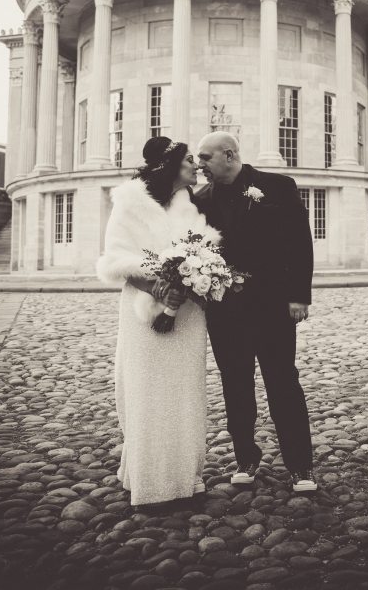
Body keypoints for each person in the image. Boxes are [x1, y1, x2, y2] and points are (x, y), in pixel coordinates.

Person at [96, 137, 221, 507]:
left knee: (185, 392)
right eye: (189, 160)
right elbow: (117, 259)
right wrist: (158, 289)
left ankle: (185, 477)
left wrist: (198, 279)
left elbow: (206, 250)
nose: (196, 166)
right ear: (170, 165)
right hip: (144, 313)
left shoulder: (189, 204)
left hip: (188, 317)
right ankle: (150, 481)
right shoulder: (129, 203)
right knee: (147, 392)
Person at [195, 132, 317, 493]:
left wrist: (299, 296)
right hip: (225, 312)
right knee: (235, 385)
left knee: (283, 383)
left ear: (228, 155)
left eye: (205, 157)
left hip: (273, 306)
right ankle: (246, 458)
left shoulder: (278, 186)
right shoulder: (200, 199)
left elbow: (300, 243)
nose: (200, 165)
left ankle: (301, 466)